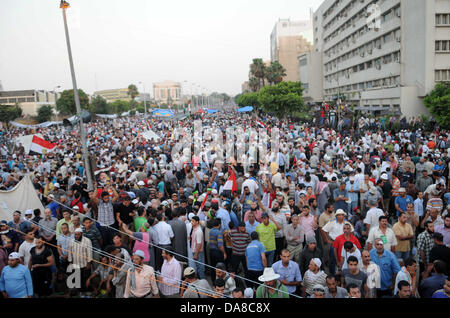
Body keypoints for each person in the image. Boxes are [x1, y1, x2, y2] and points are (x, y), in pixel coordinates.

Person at [68, 228, 92, 293]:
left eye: (78, 234)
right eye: (75, 234)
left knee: (85, 278)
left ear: (81, 234)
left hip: (84, 264)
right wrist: (70, 262)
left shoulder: (87, 241)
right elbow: (70, 252)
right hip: (76, 263)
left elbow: (89, 252)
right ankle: (80, 292)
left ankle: (86, 292)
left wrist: (89, 263)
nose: (76, 236)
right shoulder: (72, 241)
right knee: (77, 279)